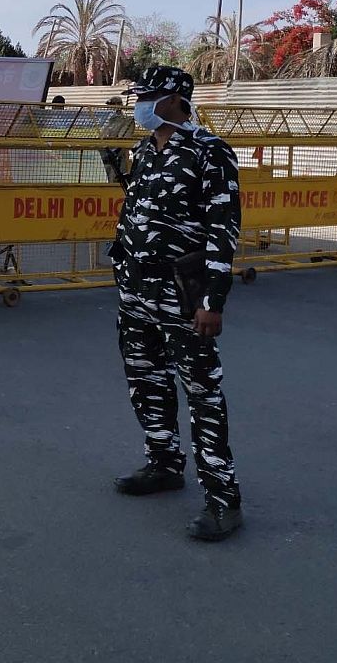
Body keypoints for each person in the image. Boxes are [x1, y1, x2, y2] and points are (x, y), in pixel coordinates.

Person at [108, 65, 244, 541]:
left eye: (145, 96)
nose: (137, 104)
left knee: (202, 392)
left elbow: (223, 232)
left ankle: (223, 499)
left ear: (173, 100)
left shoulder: (211, 153)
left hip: (183, 295)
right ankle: (163, 462)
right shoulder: (146, 149)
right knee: (146, 379)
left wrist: (212, 299)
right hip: (137, 289)